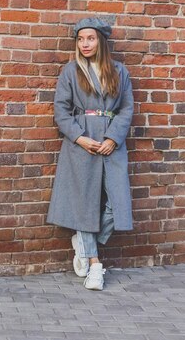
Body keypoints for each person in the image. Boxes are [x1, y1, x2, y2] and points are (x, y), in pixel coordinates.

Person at [47, 18, 134, 291]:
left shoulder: (120, 71)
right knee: (84, 202)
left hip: (110, 142)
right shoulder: (70, 72)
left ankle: (83, 243)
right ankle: (95, 264)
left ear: (101, 42)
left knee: (115, 203)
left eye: (91, 38)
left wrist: (113, 138)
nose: (85, 44)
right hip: (81, 142)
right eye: (81, 39)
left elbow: (126, 109)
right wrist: (80, 137)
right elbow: (61, 111)